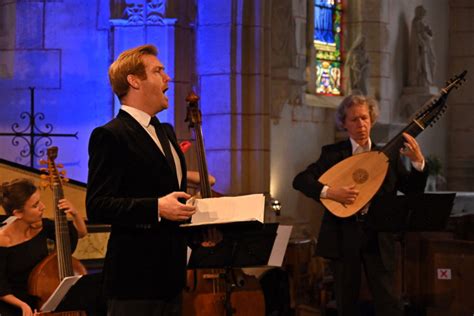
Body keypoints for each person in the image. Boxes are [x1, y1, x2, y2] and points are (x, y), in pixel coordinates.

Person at [86, 44, 200, 316]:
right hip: (134, 281)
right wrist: (156, 208)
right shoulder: (110, 135)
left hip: (171, 278)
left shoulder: (165, 132)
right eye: (158, 71)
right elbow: (98, 205)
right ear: (134, 81)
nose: (167, 77)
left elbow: (171, 196)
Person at [293, 94, 428, 316]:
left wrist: (417, 162)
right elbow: (300, 180)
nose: (361, 124)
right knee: (346, 305)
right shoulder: (333, 154)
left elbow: (413, 190)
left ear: (372, 120)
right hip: (343, 237)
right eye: (354, 119)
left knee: (389, 304)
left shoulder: (387, 155)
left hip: (378, 239)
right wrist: (331, 192)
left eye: (364, 118)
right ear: (344, 123)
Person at [0, 178, 87, 316]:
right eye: (35, 205)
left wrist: (75, 214)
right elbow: (1, 287)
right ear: (18, 213)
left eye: (39, 201)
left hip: (42, 302)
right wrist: (23, 306)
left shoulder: (41, 226)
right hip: (15, 306)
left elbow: (81, 233)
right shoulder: (3, 240)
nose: (42, 207)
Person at [408, 5, 436, 86]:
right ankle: (423, 79)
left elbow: (430, 37)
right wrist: (423, 44)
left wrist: (429, 31)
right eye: (423, 13)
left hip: (427, 47)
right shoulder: (416, 22)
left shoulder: (422, 23)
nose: (424, 15)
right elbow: (417, 35)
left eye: (424, 14)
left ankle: (429, 81)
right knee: (420, 64)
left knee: (433, 62)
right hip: (421, 48)